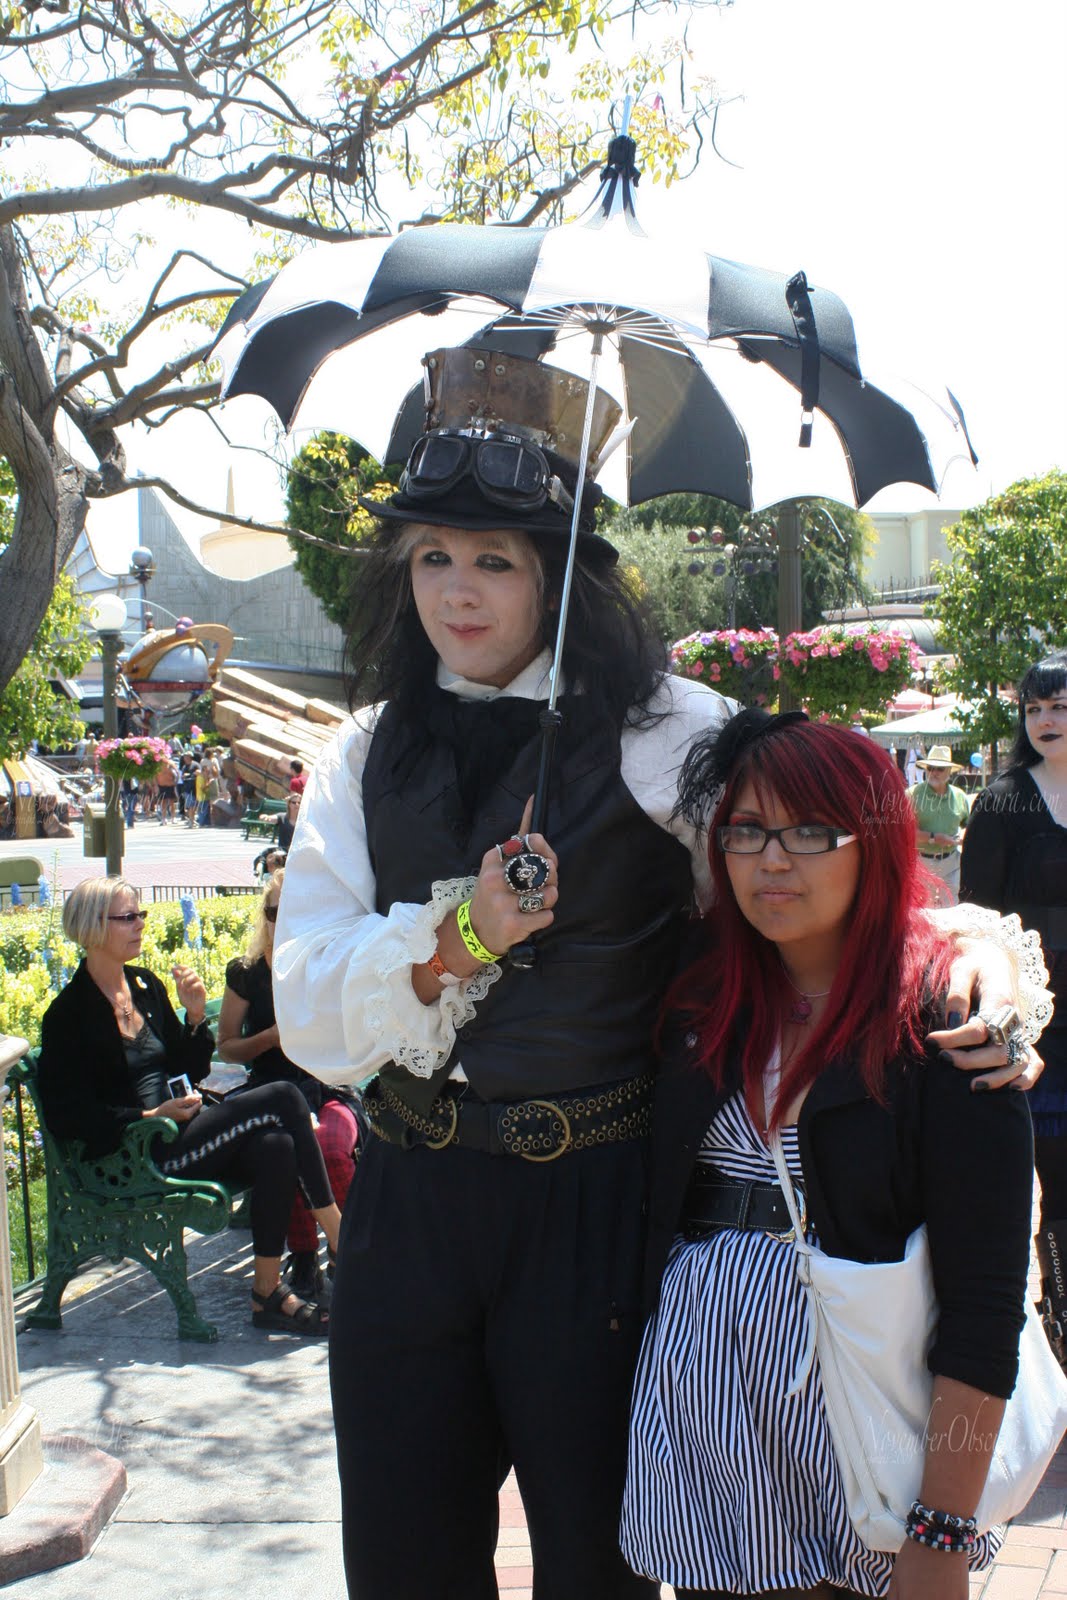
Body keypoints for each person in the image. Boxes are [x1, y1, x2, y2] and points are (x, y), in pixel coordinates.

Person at [271, 346, 1036, 1600]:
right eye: (433, 558)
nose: (457, 594)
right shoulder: (361, 754)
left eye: (496, 559)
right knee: (403, 1565)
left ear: (557, 571)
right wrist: (464, 936)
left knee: (596, 1565)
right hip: (410, 1207)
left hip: (596, 1204)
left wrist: (972, 969)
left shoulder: (663, 728)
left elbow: (835, 854)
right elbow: (306, 998)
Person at [623, 710, 1037, 1600]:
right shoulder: (700, 994)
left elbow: (983, 1308)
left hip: (865, 1443)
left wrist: (944, 1528)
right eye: (746, 831)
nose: (772, 860)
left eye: (811, 831)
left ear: (873, 842)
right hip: (704, 1443)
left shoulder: (946, 1027)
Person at [37, 875, 343, 1337]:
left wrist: (196, 1016)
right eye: (128, 917)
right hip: (138, 1155)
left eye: (141, 914)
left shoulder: (144, 986)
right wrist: (149, 1117)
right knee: (283, 1096)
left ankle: (267, 1292)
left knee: (277, 1145)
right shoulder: (68, 1015)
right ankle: (340, 1236)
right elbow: (67, 1115)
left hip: (181, 1132)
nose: (141, 924)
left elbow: (188, 1064)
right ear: (92, 926)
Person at [961, 650, 1067, 1368]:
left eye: (1058, 705)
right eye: (1033, 708)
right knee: (1053, 1180)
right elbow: (977, 920)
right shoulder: (1000, 802)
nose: (1045, 720)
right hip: (1040, 1015)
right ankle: (1059, 1323)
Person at [217, 869, 360, 1301]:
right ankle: (304, 1255)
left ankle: (351, 1246)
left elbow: (352, 1036)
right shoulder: (247, 973)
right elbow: (226, 1047)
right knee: (290, 1142)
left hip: (326, 1087)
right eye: (274, 911)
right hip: (270, 1093)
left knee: (331, 1145)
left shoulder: (325, 962)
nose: (282, 920)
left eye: (292, 910)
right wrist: (270, 1038)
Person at [907, 745, 971, 904]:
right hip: (922, 864)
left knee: (951, 911)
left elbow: (968, 826)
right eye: (930, 768)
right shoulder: (912, 795)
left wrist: (965, 836)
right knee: (926, 913)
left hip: (952, 864)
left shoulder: (960, 796)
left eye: (940, 768)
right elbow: (906, 834)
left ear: (949, 772)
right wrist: (935, 838)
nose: (934, 772)